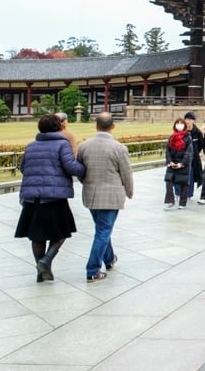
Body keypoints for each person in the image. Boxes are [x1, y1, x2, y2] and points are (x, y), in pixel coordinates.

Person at [14, 114, 86, 282]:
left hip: (32, 197)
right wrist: (84, 169)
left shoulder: (31, 145)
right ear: (58, 127)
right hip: (54, 196)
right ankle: (46, 261)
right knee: (62, 231)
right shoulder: (62, 144)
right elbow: (71, 167)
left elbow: (24, 167)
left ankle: (41, 271)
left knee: (37, 235)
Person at [77, 112, 134, 283]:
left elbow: (80, 170)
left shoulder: (84, 146)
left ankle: (109, 259)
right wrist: (129, 192)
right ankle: (93, 269)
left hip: (91, 194)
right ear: (113, 126)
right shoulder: (118, 148)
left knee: (102, 229)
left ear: (96, 126)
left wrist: (86, 183)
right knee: (103, 231)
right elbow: (126, 173)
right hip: (111, 195)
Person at [164, 117, 192, 210]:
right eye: (177, 123)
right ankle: (170, 201)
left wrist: (182, 163)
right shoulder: (172, 137)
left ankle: (182, 203)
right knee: (168, 182)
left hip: (183, 164)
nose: (179, 125)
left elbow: (188, 152)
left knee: (183, 183)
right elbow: (167, 150)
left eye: (181, 123)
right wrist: (170, 161)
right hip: (172, 163)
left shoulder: (188, 137)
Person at [181, 112, 203, 202]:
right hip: (182, 158)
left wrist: (195, 153)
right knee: (181, 176)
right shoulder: (181, 131)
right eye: (186, 119)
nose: (188, 121)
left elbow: (201, 144)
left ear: (193, 121)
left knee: (191, 177)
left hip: (193, 159)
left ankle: (189, 194)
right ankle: (179, 193)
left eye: (190, 120)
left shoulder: (197, 132)